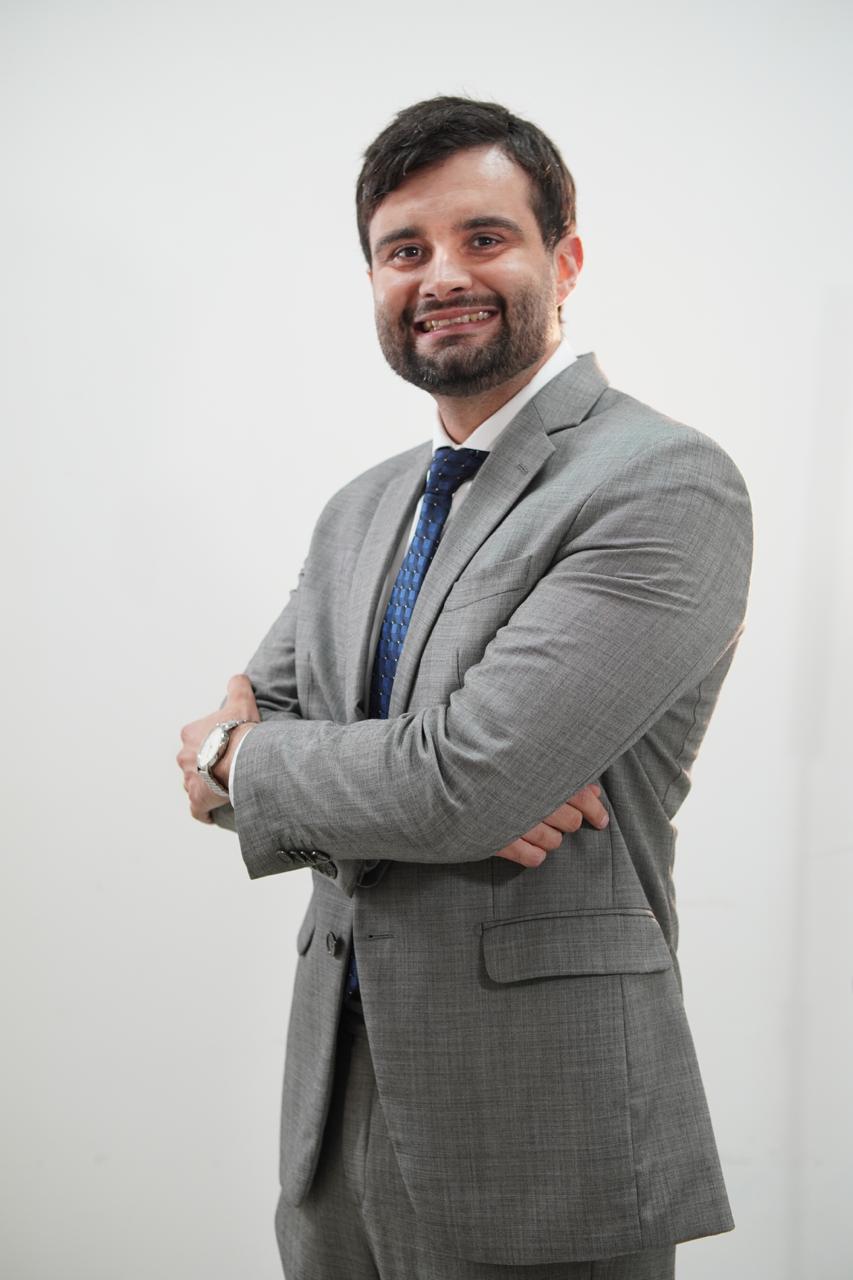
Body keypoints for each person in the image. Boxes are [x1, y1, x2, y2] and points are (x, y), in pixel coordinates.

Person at [177, 96, 753, 1280]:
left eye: (483, 237)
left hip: (539, 1121)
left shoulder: (660, 481)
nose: (441, 274)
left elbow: (459, 781)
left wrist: (249, 758)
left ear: (564, 260)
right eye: (404, 249)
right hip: (332, 1117)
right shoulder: (360, 509)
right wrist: (247, 759)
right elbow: (240, 763)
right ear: (374, 282)